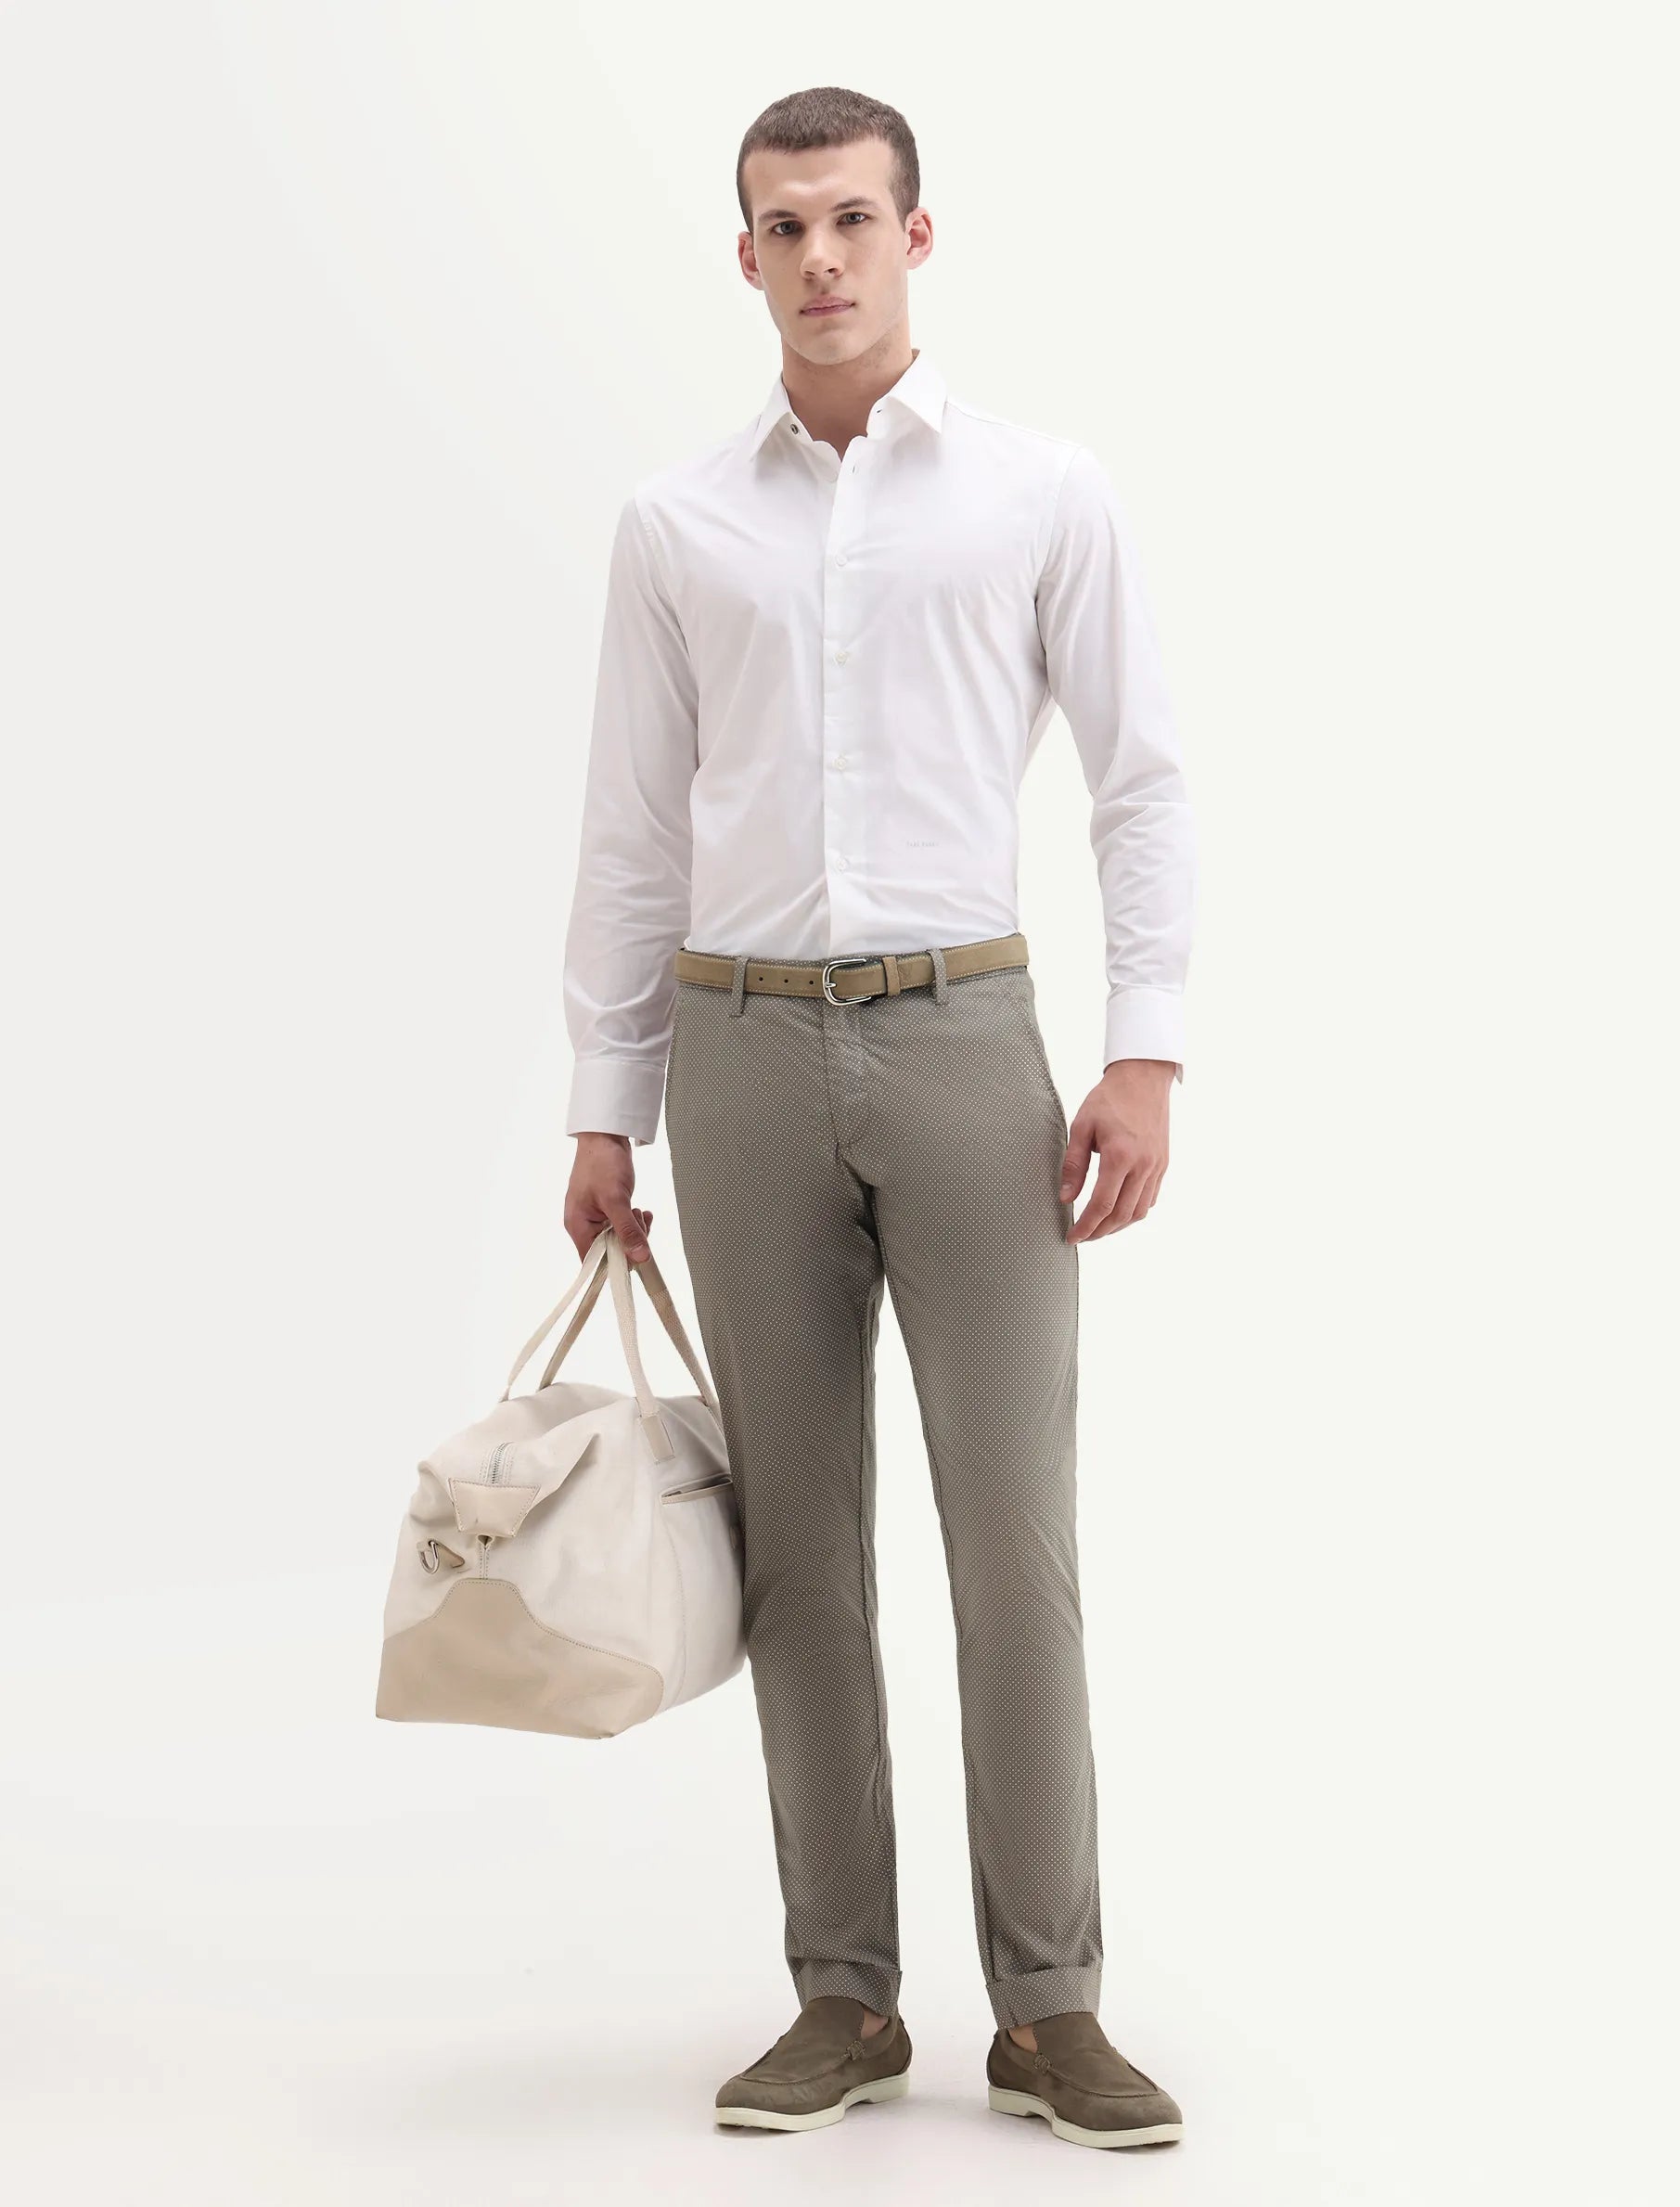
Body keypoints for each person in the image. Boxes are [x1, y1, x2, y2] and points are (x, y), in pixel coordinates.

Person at [560, 84, 1194, 2151]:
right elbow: (634, 826)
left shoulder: (1039, 492)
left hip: (965, 1042)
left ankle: (1052, 2007)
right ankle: (843, 1994)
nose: (819, 257)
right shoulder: (679, 524)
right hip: (737, 1054)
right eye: (783, 226)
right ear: (743, 255)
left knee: (1015, 1542)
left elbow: (1139, 780)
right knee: (798, 1556)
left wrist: (1145, 1045)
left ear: (919, 234)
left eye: (851, 219)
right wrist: (605, 1104)